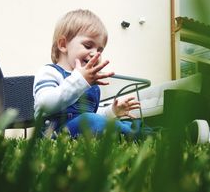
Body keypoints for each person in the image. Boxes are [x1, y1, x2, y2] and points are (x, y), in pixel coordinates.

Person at [33, 9, 145, 138]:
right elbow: (44, 105)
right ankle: (135, 135)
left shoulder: (88, 82)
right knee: (91, 121)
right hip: (55, 133)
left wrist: (112, 111)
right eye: (88, 46)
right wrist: (80, 81)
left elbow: (94, 113)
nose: (95, 54)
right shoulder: (49, 72)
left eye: (100, 50)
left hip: (85, 127)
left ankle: (143, 132)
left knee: (119, 122)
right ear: (63, 45)